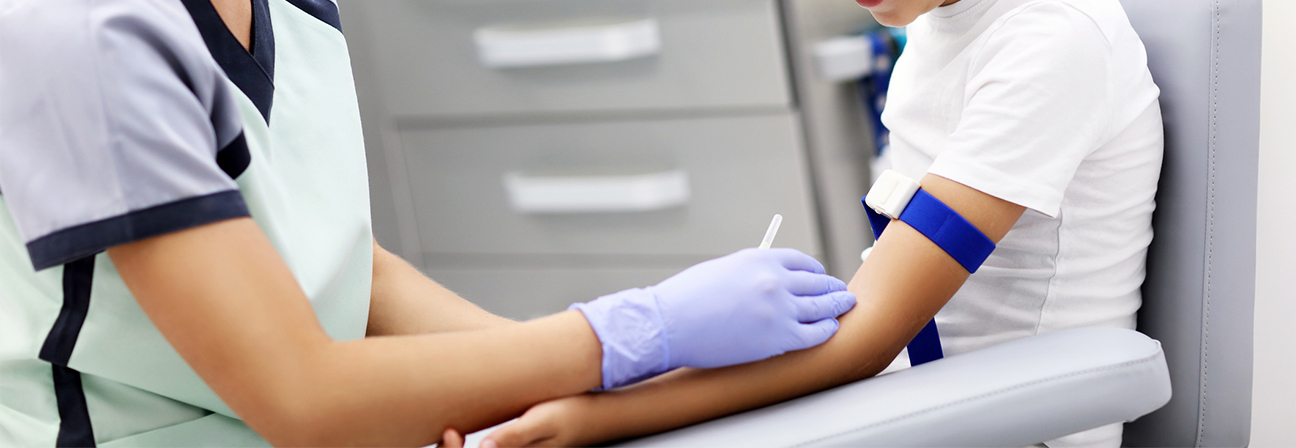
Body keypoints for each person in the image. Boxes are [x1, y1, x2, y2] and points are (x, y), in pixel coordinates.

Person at [0, 0, 858, 446]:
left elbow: (341, 266)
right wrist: (629, 334)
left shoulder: (291, 13)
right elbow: (305, 402)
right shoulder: (76, 35)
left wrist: (548, 382)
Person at [470, 0, 1163, 446]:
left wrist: (600, 416)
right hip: (924, 391)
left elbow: (869, 337)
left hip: (1024, 424)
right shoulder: (933, 34)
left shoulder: (1049, 44)